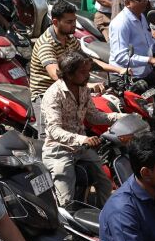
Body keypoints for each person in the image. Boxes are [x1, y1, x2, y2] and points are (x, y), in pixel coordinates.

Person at [40, 49, 125, 207]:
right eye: (83, 72)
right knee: (66, 200)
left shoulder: (84, 89)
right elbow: (54, 130)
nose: (88, 76)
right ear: (69, 74)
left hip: (82, 149)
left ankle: (105, 218)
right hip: (59, 151)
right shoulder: (53, 95)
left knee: (106, 183)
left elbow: (93, 116)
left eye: (88, 71)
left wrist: (119, 117)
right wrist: (83, 139)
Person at [111, 0, 155, 91]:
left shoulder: (141, 16)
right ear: (128, 3)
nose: (145, 2)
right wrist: (151, 59)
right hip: (130, 77)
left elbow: (148, 44)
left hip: (145, 71)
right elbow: (120, 57)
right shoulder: (120, 23)